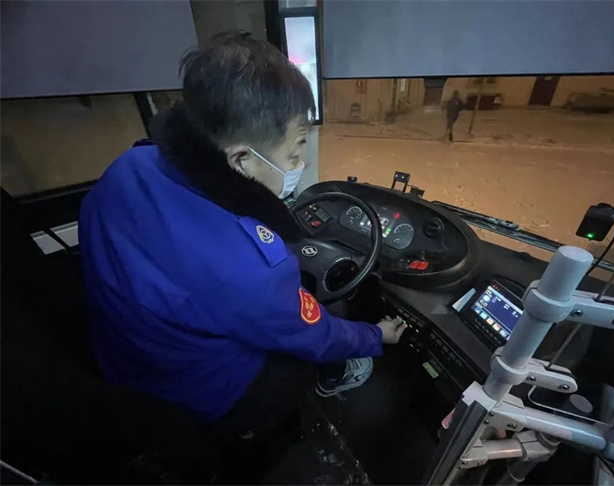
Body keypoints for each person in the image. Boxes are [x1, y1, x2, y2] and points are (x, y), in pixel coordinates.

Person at [79, 31, 406, 448]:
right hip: (201, 395)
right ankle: (325, 387)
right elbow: (315, 335)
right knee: (309, 348)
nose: (301, 162)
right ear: (242, 160)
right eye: (295, 151)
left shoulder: (128, 166)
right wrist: (375, 337)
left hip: (127, 361)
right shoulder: (254, 270)